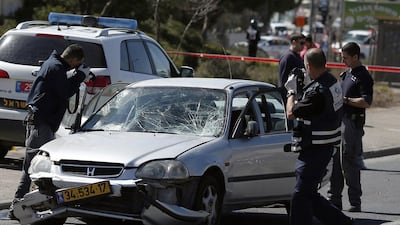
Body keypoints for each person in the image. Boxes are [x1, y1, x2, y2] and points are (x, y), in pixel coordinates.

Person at [8, 44, 92, 219]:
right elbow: (66, 91)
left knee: (36, 164)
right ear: (74, 59)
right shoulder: (55, 68)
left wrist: (76, 75)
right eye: (78, 63)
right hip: (42, 123)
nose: (77, 66)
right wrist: (80, 76)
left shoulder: (54, 64)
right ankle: (17, 205)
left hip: (41, 120)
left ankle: (27, 203)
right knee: (34, 165)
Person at [285, 48, 353, 225]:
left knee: (299, 195)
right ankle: (342, 221)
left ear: (308, 65)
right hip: (324, 146)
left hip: (315, 149)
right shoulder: (332, 82)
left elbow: (291, 112)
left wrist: (291, 91)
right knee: (308, 194)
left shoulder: (317, 91)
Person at [328, 42, 374, 212]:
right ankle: (334, 199)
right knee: (335, 162)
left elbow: (366, 102)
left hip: (352, 124)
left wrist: (346, 100)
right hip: (340, 121)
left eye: (345, 57)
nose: (342, 60)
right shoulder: (346, 73)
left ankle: (355, 201)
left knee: (349, 162)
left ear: (355, 57)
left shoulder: (363, 76)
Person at [279, 33, 306, 102]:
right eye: (301, 43)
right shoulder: (288, 57)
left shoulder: (297, 56)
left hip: (297, 94)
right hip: (289, 96)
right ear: (294, 42)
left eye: (304, 43)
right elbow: (283, 79)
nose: (303, 46)